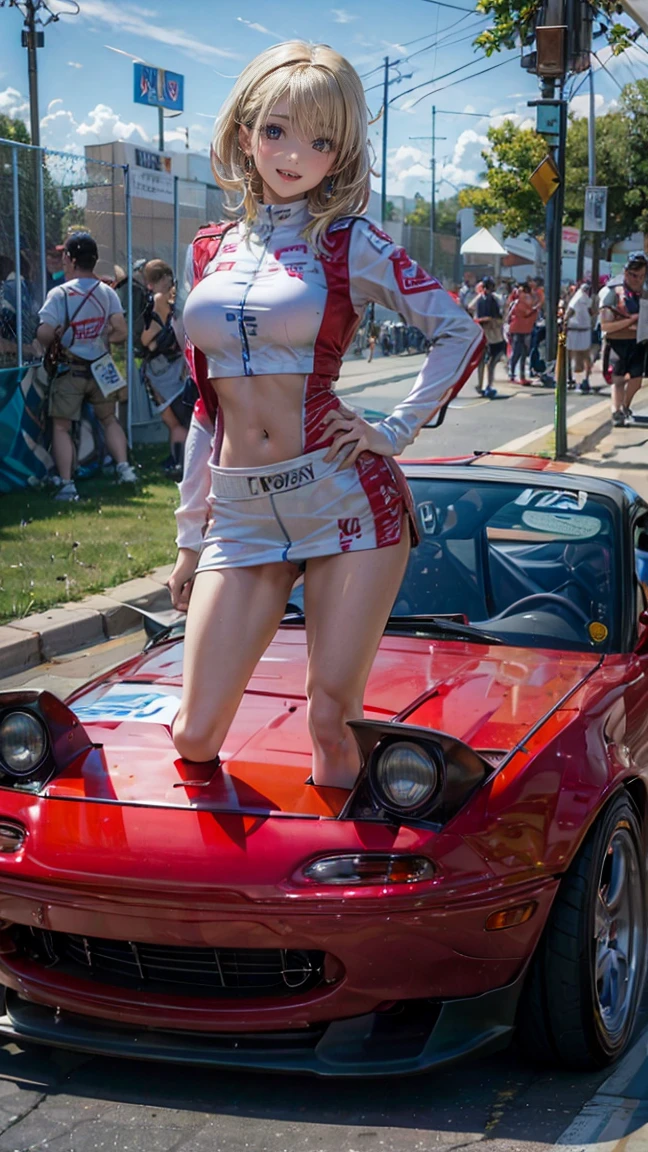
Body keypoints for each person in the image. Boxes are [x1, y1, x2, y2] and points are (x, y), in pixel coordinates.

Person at [168, 40, 484, 789]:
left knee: (330, 721)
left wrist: (394, 429)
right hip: (240, 514)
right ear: (245, 132)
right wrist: (189, 537)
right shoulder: (206, 251)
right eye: (276, 131)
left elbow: (459, 329)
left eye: (319, 140)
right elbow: (206, 405)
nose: (292, 154)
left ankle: (336, 887)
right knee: (195, 732)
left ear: (339, 155)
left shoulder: (350, 242)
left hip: (344, 501)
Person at [36, 231, 138, 502]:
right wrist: (101, 337)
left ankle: (68, 485)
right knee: (109, 419)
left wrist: (58, 336)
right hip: (101, 366)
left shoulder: (59, 293)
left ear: (69, 259)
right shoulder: (107, 292)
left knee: (61, 427)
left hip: (70, 370)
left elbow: (44, 334)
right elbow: (121, 332)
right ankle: (125, 470)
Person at [139, 259, 190, 476]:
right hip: (177, 365)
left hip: (164, 371)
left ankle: (181, 462)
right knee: (178, 421)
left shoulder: (160, 300)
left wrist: (146, 340)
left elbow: (146, 338)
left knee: (175, 421)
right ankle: (178, 459)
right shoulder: (180, 300)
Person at [600, 252, 648, 427]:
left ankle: (625, 406)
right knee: (618, 378)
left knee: (636, 380)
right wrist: (631, 320)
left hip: (639, 342)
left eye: (642, 276)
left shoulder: (645, 294)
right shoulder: (612, 293)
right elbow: (605, 326)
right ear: (626, 273)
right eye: (634, 275)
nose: (638, 280)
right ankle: (616, 410)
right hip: (617, 342)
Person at [469, 276, 502, 399]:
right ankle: (487, 384)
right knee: (490, 362)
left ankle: (482, 384)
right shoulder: (495, 299)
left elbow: (470, 308)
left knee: (483, 361)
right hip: (491, 333)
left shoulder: (482, 299)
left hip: (483, 332)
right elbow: (501, 315)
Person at [565, 282, 594, 394]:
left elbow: (568, 314)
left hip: (579, 330)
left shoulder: (580, 299)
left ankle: (579, 380)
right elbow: (591, 313)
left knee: (580, 357)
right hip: (578, 330)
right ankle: (577, 380)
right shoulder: (582, 300)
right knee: (578, 357)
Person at [507, 282, 538, 385]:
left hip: (525, 329)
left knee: (523, 353)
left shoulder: (526, 300)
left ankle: (521, 376)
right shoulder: (518, 303)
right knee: (517, 352)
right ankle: (513, 374)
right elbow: (526, 312)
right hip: (518, 330)